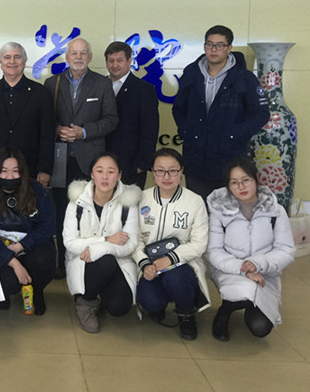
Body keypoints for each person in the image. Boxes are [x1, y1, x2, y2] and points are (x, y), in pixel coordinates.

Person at [44, 37, 118, 276]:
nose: (78, 57)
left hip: (90, 160)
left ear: (90, 57)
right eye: (73, 53)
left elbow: (111, 120)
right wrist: (58, 129)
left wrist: (83, 132)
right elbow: (44, 119)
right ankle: (60, 262)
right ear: (67, 57)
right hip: (60, 159)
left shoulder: (102, 84)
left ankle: (86, 259)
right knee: (60, 210)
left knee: (89, 211)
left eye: (83, 53)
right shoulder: (52, 83)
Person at [172, 25, 269, 201]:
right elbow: (178, 108)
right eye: (209, 44)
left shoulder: (244, 77)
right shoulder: (191, 73)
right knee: (199, 209)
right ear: (204, 46)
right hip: (196, 158)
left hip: (229, 159)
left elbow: (261, 113)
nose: (214, 49)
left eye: (220, 45)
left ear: (229, 48)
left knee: (229, 211)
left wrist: (236, 134)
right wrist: (186, 131)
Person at [207, 157, 295, 341]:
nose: (241, 187)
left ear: (256, 180)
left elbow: (286, 250)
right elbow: (214, 251)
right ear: (228, 186)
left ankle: (247, 304)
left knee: (260, 327)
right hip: (231, 271)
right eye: (234, 182)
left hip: (265, 273)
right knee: (240, 292)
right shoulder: (219, 211)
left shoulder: (276, 211)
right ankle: (225, 311)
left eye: (246, 180)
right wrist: (243, 268)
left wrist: (257, 263)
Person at [135, 148, 210, 340]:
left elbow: (199, 243)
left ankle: (186, 313)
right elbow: (135, 239)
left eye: (173, 171)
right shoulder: (141, 198)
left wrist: (170, 259)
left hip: (182, 263)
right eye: (160, 171)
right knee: (151, 301)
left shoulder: (194, 201)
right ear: (153, 172)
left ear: (181, 171)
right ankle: (158, 305)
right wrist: (145, 264)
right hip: (149, 263)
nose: (166, 176)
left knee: (176, 279)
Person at [63, 152, 140, 333]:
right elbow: (70, 242)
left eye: (111, 172)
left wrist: (100, 248)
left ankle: (103, 291)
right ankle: (86, 301)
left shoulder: (129, 202)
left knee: (118, 308)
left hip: (118, 261)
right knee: (105, 261)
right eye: (99, 171)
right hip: (83, 260)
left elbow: (130, 244)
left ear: (119, 175)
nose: (105, 177)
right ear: (92, 174)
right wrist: (105, 240)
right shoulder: (77, 201)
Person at [0, 147, 55, 315]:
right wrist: (11, 260)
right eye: (4, 171)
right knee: (8, 283)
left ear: (23, 171)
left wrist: (21, 245)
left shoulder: (35, 189)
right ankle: (4, 293)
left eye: (15, 171)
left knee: (44, 259)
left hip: (29, 248)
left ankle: (36, 290)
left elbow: (48, 226)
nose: (10, 176)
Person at [0, 42, 55, 187]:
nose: (12, 61)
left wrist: (45, 169)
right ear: (0, 63)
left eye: (17, 57)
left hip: (30, 169)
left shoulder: (41, 94)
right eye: (7, 57)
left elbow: (47, 135)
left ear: (24, 61)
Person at [104, 41, 159, 189]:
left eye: (120, 60)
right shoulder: (98, 86)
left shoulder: (144, 90)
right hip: (101, 163)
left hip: (131, 164)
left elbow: (150, 129)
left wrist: (143, 163)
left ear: (129, 61)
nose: (115, 65)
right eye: (111, 60)